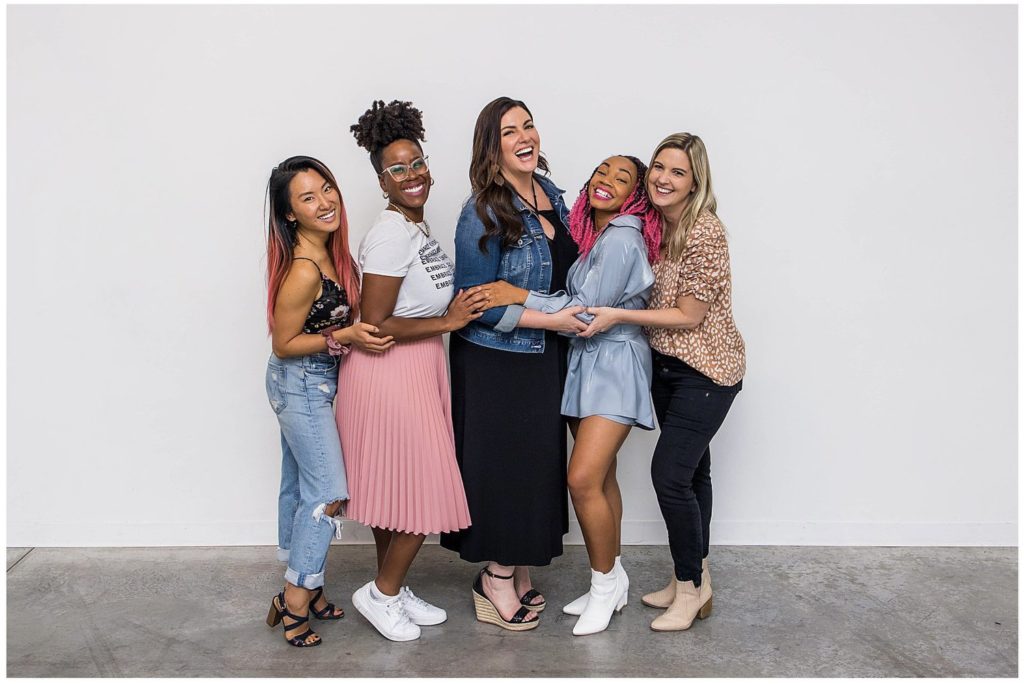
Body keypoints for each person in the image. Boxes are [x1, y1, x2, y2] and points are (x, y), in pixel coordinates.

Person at [477, 155, 662, 636]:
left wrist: (514, 294)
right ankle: (613, 580)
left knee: (581, 479)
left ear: (635, 196)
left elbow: (584, 313)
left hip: (614, 365)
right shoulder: (594, 234)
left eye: (623, 179)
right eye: (603, 171)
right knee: (603, 480)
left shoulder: (622, 237)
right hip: (586, 364)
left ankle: (603, 588)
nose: (608, 181)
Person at [580, 133, 746, 631]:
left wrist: (613, 315)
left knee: (669, 476)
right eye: (658, 167)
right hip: (668, 369)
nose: (663, 178)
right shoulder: (655, 227)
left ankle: (690, 590)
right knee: (694, 477)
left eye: (677, 172)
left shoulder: (704, 232)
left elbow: (691, 315)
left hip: (707, 373)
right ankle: (695, 579)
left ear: (695, 181)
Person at [338, 100, 483, 642]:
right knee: (423, 487)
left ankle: (389, 586)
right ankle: (381, 593)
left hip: (416, 367)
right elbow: (373, 322)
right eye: (397, 169)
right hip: (388, 372)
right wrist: (447, 322)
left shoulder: (414, 228)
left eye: (416, 163)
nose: (412, 175)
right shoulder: (392, 234)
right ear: (382, 181)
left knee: (398, 489)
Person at [439, 97, 585, 632]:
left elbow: (566, 276)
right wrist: (554, 321)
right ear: (491, 145)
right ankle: (494, 577)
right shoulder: (480, 208)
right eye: (509, 130)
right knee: (504, 466)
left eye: (529, 125)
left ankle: (518, 567)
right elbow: (474, 303)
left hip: (546, 357)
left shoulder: (555, 196)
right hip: (496, 362)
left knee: (535, 464)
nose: (525, 136)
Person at [263, 155, 395, 647]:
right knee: (327, 494)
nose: (324, 202)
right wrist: (346, 336)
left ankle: (310, 585)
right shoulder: (301, 268)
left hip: (315, 382)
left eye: (326, 189)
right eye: (307, 197)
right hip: (299, 381)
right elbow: (283, 343)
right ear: (290, 213)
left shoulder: (328, 253)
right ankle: (293, 600)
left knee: (303, 488)